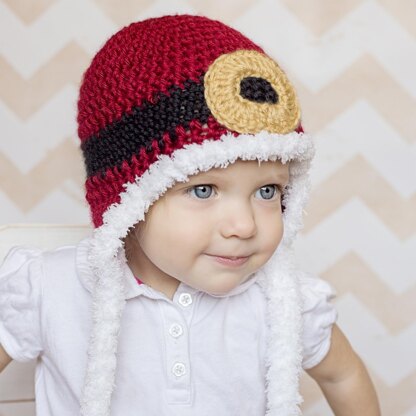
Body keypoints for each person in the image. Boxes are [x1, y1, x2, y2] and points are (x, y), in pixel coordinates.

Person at [0, 14, 380, 416]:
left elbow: (343, 375)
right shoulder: (51, 290)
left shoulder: (283, 301)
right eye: (203, 190)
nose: (245, 225)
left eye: (268, 191)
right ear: (130, 198)